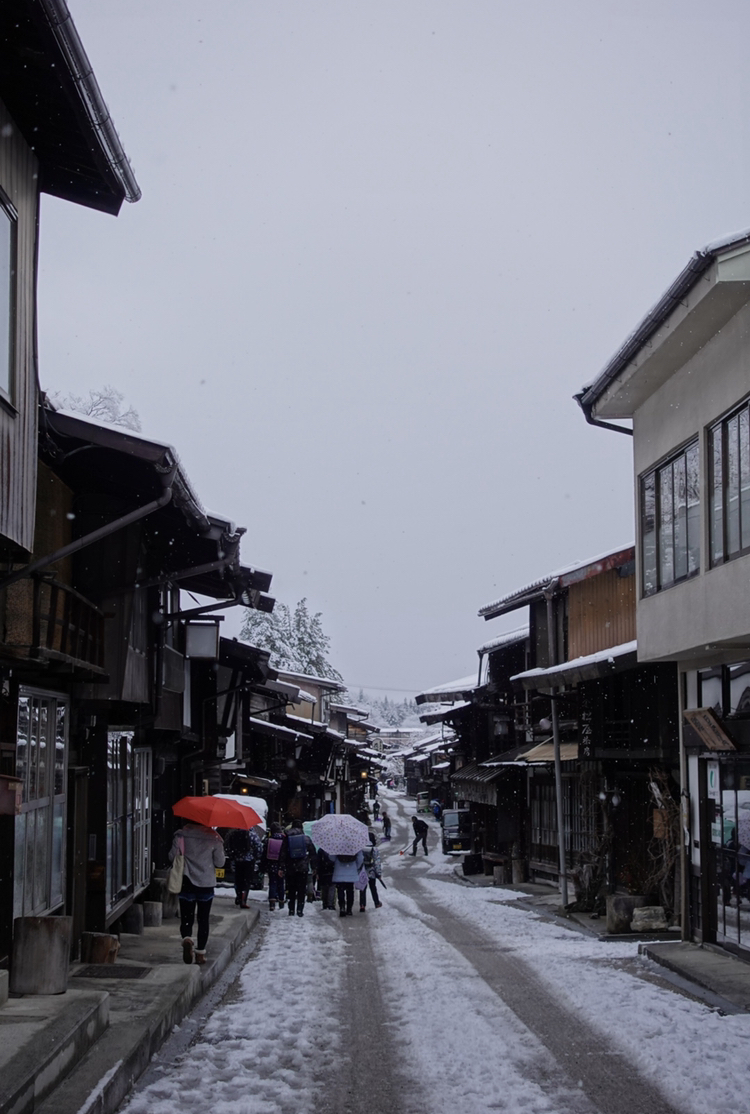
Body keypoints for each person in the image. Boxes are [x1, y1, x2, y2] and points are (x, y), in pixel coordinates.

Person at [169, 820, 225, 965]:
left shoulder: (181, 835)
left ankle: (187, 938)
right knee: (203, 919)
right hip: (206, 884)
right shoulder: (214, 838)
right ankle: (200, 953)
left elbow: (172, 857)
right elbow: (220, 863)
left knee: (186, 917)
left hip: (186, 882)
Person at [280, 819, 316, 917]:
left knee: (291, 889)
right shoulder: (306, 838)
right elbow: (313, 853)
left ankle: (291, 909)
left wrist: (281, 867)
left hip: (290, 867)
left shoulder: (287, 837)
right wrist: (313, 867)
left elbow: (282, 853)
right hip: (303, 868)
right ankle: (300, 910)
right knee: (301, 889)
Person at [224, 825, 263, 909]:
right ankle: (243, 899)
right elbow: (259, 847)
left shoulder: (233, 834)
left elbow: (228, 846)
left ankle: (238, 895)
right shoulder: (252, 834)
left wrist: (233, 856)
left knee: (238, 880)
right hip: (249, 861)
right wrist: (255, 856)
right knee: (247, 881)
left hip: (237, 860)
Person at [332, 849, 365, 917]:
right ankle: (349, 909)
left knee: (340, 890)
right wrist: (356, 867)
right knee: (350, 891)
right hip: (351, 871)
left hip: (339, 871)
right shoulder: (355, 845)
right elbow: (360, 858)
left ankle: (342, 907)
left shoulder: (337, 845)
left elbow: (332, 858)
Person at [262, 823, 286, 910]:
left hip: (271, 864)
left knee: (272, 883)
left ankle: (272, 903)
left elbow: (264, 854)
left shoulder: (268, 840)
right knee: (281, 883)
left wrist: (263, 865)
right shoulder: (284, 839)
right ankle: (281, 901)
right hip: (282, 865)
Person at [359, 831, 383, 911]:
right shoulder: (374, 849)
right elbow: (377, 862)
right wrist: (379, 873)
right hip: (371, 871)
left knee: (362, 888)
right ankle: (376, 903)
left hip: (362, 871)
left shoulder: (360, 848)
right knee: (373, 887)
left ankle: (362, 905)